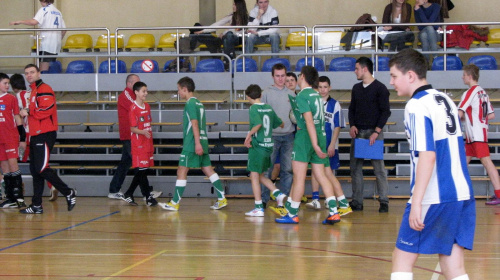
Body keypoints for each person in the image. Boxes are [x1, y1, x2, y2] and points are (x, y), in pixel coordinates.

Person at [389, 48, 475, 280]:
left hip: (434, 195)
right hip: (462, 192)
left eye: (394, 76)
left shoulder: (415, 106)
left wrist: (416, 202)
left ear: (410, 76)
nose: (391, 82)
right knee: (453, 265)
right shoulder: (444, 98)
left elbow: (427, 155)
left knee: (402, 259)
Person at [275, 66, 342, 225]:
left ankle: (292, 214)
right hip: (321, 135)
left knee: (298, 177)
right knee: (321, 175)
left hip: (306, 138)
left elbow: (309, 121)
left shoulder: (302, 95)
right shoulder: (317, 95)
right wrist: (318, 144)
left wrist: (313, 144)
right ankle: (334, 211)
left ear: (302, 76)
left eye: (298, 76)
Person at [159, 77, 227, 211]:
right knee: (208, 169)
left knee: (182, 170)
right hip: (203, 140)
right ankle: (221, 198)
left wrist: (196, 143)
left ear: (185, 89)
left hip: (192, 143)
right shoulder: (199, 103)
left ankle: (175, 202)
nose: (178, 92)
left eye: (179, 89)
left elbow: (194, 123)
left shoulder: (190, 103)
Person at [19, 64, 76, 214]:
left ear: (38, 73)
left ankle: (68, 192)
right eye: (27, 73)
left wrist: (28, 111)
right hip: (35, 134)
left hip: (44, 133)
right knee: (35, 170)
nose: (29, 75)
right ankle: (37, 205)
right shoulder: (33, 91)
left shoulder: (44, 89)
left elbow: (46, 109)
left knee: (41, 168)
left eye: (32, 72)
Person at [108, 74, 161, 201]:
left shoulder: (132, 96)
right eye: (137, 83)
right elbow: (137, 107)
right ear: (130, 84)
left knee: (125, 163)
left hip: (135, 135)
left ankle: (114, 190)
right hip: (130, 135)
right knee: (140, 164)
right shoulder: (126, 96)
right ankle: (146, 193)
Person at [348, 57, 391, 213]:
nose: (355, 71)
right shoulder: (356, 88)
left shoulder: (381, 88)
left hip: (374, 133)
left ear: (364, 69)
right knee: (355, 168)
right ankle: (357, 201)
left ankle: (384, 201)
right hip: (358, 132)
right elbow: (351, 109)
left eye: (357, 68)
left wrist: (377, 131)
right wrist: (352, 125)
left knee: (379, 169)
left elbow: (385, 112)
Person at [305, 76, 352, 216]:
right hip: (316, 145)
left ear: (329, 88)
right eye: (320, 87)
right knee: (317, 171)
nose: (323, 89)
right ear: (316, 88)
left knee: (328, 173)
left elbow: (337, 126)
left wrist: (332, 144)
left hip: (328, 145)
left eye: (325, 87)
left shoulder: (335, 104)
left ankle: (338, 201)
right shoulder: (314, 102)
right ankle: (316, 199)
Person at [10, 73, 58, 202]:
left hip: (27, 132)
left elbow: (19, 115)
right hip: (37, 131)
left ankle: (18, 190)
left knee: (27, 163)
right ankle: (49, 186)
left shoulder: (17, 97)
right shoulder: (31, 92)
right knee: (40, 163)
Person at [458, 64, 500, 205]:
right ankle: (459, 194)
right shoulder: (483, 92)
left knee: (487, 163)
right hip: (476, 134)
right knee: (462, 164)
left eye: (464, 75)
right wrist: (472, 117)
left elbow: (459, 112)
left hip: (475, 135)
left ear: (470, 76)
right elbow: (491, 115)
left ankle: (498, 193)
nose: (462, 77)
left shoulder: (470, 92)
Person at [244, 84, 287, 217]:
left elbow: (258, 124)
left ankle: (258, 207)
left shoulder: (253, 109)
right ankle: (277, 193)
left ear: (248, 97)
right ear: (261, 95)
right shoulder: (268, 108)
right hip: (269, 146)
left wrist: (248, 136)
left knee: (254, 176)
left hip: (258, 147)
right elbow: (281, 123)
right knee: (261, 175)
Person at [176, 0, 248, 71]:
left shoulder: (246, 17)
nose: (233, 6)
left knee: (229, 35)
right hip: (227, 39)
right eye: (233, 4)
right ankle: (228, 63)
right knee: (206, 33)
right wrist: (203, 31)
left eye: (235, 5)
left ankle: (228, 62)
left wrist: (226, 32)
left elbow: (241, 32)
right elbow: (217, 24)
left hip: (238, 39)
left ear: (240, 6)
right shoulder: (231, 16)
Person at [260, 63, 295, 208]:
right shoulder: (266, 93)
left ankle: (284, 201)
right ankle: (263, 200)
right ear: (273, 76)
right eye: (277, 76)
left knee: (288, 169)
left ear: (286, 75)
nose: (280, 79)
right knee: (267, 170)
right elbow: (261, 114)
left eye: (283, 76)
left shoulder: (292, 94)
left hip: (289, 136)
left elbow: (295, 115)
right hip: (271, 136)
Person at [121, 82, 158, 207]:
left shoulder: (147, 106)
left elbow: (148, 123)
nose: (146, 93)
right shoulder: (133, 108)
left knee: (143, 170)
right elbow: (132, 128)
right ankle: (146, 196)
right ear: (136, 92)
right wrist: (142, 132)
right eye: (143, 91)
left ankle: (132, 194)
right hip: (139, 144)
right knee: (141, 170)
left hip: (148, 142)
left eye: (146, 91)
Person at [10, 0, 66, 72]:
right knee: (50, 65)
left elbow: (34, 22)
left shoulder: (44, 9)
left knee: (43, 68)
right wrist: (58, 39)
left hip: (47, 43)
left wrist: (20, 22)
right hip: (56, 44)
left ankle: (43, 81)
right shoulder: (58, 12)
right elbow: (64, 30)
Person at [0, 73, 27, 209]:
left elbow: (17, 118)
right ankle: (10, 197)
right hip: (0, 140)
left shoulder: (11, 98)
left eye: (8, 83)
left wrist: (22, 138)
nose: (7, 85)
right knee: (5, 169)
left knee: (13, 166)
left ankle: (19, 197)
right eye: (4, 83)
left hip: (10, 137)